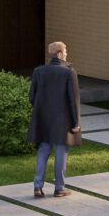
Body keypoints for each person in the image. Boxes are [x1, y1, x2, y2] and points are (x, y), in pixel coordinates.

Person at [27, 40, 80, 198]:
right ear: (59, 54)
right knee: (60, 153)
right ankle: (59, 187)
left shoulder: (38, 71)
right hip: (62, 121)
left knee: (43, 151)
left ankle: (37, 187)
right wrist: (75, 123)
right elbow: (73, 99)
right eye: (65, 51)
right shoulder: (69, 72)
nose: (66, 54)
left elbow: (32, 97)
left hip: (43, 119)